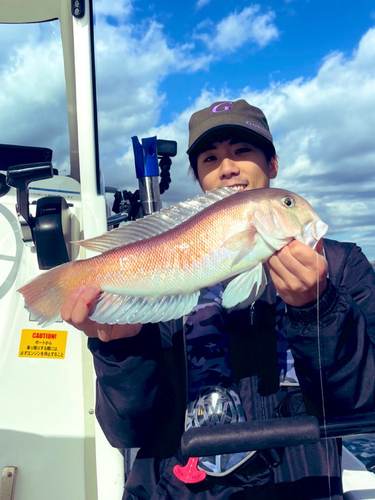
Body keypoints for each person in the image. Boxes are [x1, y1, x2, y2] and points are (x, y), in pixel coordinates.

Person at [61, 99, 375, 499]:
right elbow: (129, 430)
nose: (227, 167)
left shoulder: (341, 265)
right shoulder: (165, 279)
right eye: (210, 159)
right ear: (200, 180)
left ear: (273, 164)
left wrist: (319, 307)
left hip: (298, 486)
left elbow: (362, 403)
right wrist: (122, 347)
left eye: (242, 151)